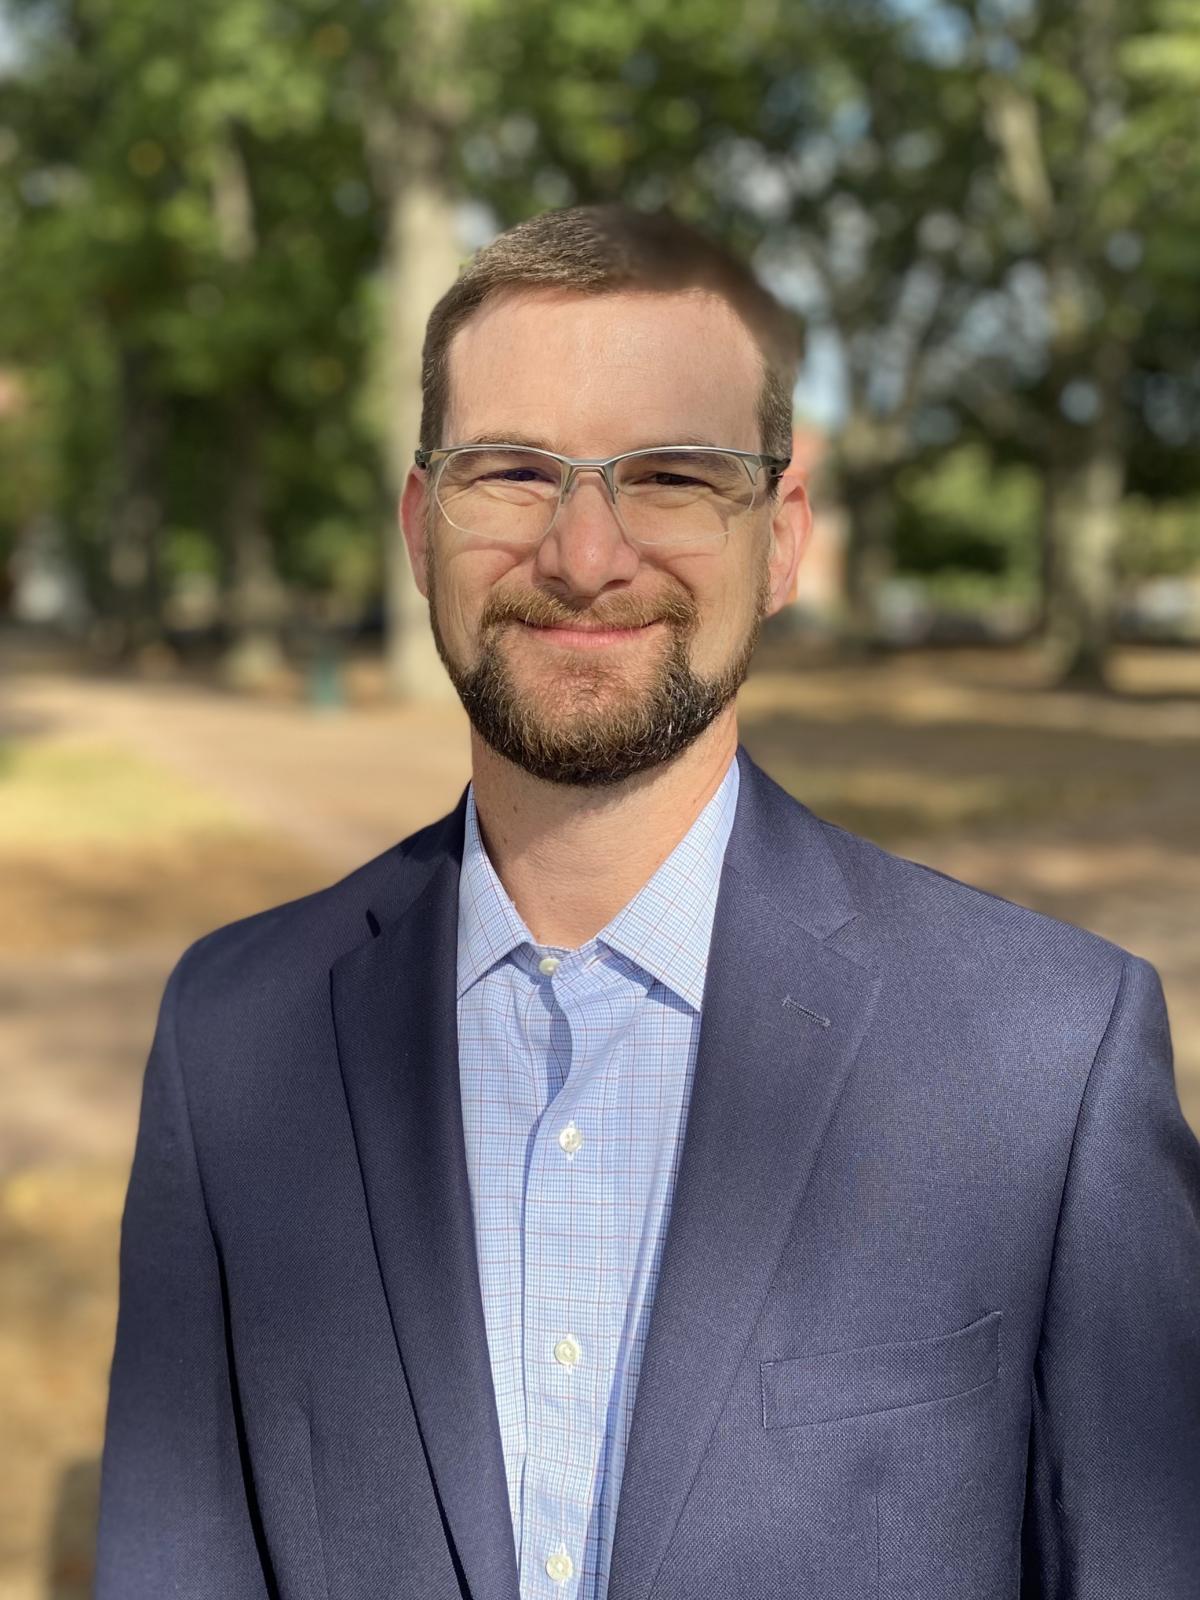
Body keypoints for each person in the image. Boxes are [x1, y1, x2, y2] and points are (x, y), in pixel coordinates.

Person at [95, 204, 1200, 1600]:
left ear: (782, 540)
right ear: (422, 523)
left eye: (674, 474)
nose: (585, 552)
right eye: (512, 471)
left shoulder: (1047, 1056)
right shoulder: (232, 1037)